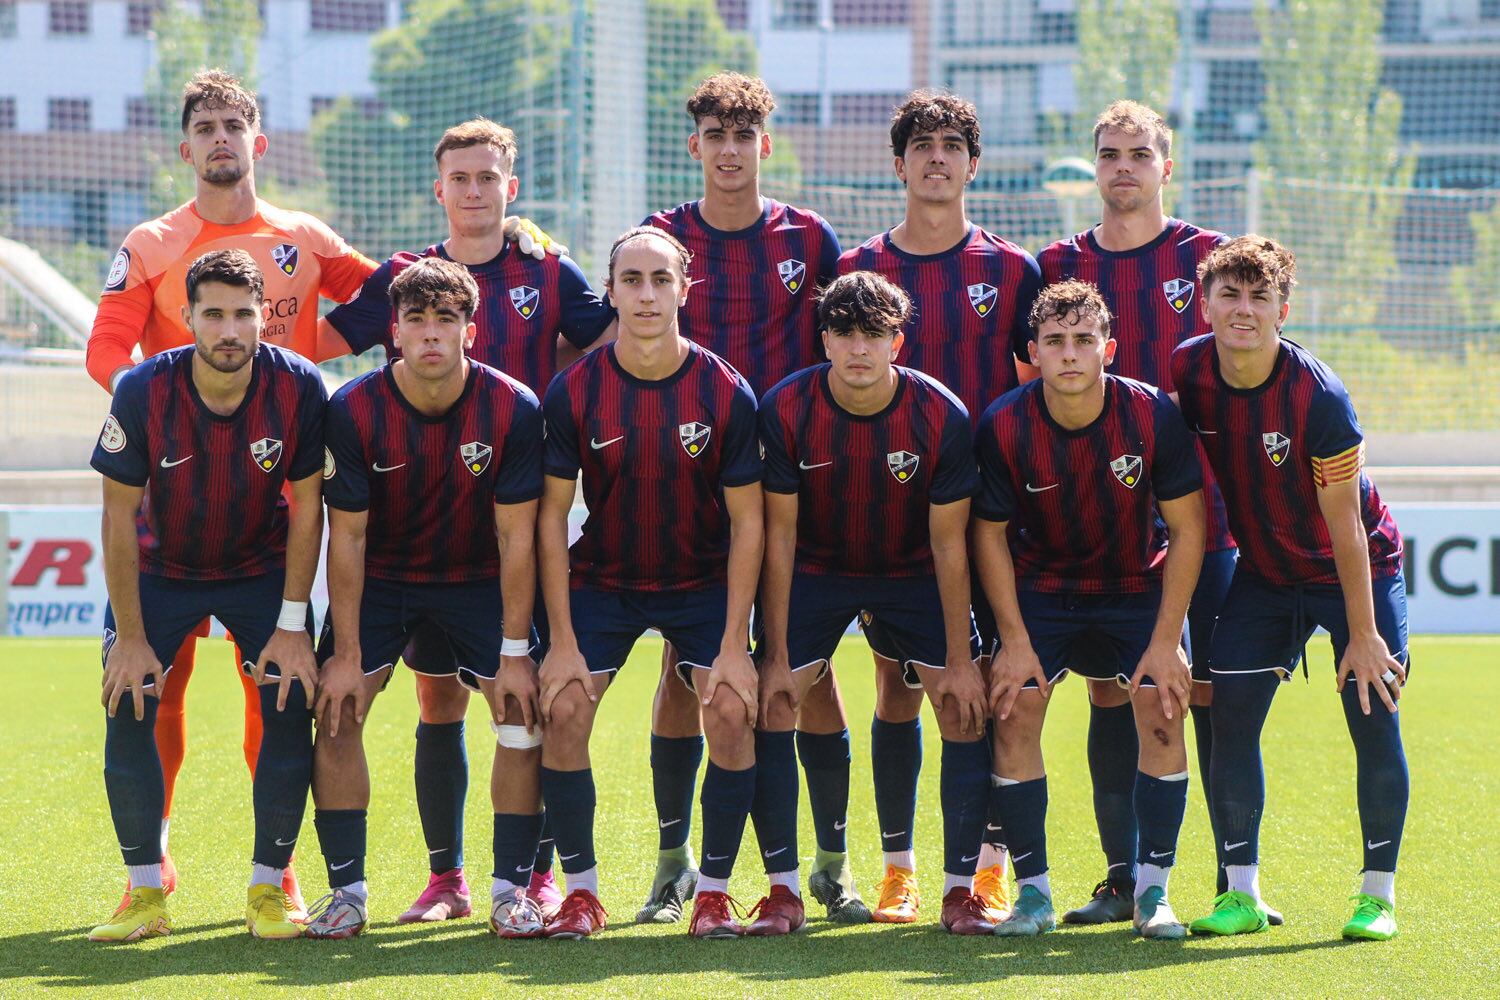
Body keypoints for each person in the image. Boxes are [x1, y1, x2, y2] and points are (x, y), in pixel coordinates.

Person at [85, 69, 378, 916]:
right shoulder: (149, 243)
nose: (220, 138)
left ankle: (275, 873)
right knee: (151, 686)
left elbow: (391, 299)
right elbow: (107, 350)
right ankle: (154, 863)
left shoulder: (305, 235)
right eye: (204, 126)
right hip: (171, 501)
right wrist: (166, 407)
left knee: (280, 689)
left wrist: (506, 239)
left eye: (233, 125)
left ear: (259, 141)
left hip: (270, 505)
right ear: (186, 147)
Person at [321, 117, 614, 924]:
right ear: (439, 189)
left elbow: (618, 342)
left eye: (489, 178)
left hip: (505, 521)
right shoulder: (402, 279)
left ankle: (529, 884)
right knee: (434, 705)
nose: (475, 192)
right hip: (408, 521)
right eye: (461, 179)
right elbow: (316, 338)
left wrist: (565, 396)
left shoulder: (550, 267)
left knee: (524, 704)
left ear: (510, 187)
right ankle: (442, 879)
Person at [1035, 99, 1279, 923]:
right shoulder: (1060, 262)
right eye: (1110, 154)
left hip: (1200, 518)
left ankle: (1230, 880)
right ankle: (1123, 876)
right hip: (1096, 524)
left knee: (1203, 694)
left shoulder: (1210, 258)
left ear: (1165, 166)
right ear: (1094, 166)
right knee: (1116, 693)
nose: (1125, 167)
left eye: (1141, 153)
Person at [641, 71, 864, 923]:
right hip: (690, 476)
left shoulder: (809, 238)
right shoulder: (661, 236)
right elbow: (609, 316)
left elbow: (850, 335)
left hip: (796, 479)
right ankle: (674, 862)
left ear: (765, 145)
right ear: (694, 145)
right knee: (685, 665)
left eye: (745, 136)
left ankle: (831, 864)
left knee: (806, 668)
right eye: (715, 135)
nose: (729, 150)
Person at [837, 89, 1041, 923]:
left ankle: (989, 863)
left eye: (952, 143)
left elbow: (1034, 389)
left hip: (988, 515)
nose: (936, 156)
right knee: (896, 686)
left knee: (987, 685)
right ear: (898, 164)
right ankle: (899, 867)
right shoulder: (860, 269)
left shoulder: (1013, 270)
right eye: (921, 144)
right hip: (892, 514)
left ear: (972, 162)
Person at [1173, 237, 1408, 942]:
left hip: (1355, 572)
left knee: (1373, 716)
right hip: (1267, 574)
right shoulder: (1189, 370)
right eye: (1229, 294)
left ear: (1284, 306)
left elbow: (1346, 533)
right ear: (1205, 301)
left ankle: (1377, 897)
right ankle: (1240, 895)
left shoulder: (1320, 395)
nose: (1243, 310)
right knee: (1232, 719)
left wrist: (1362, 637)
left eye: (1258, 296)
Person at [306, 257, 547, 940]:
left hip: (479, 577)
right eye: (417, 320)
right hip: (385, 576)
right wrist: (348, 653)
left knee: (521, 711)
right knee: (339, 707)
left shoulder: (512, 407)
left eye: (447, 319)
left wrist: (513, 652)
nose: (432, 334)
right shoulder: (352, 408)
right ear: (395, 330)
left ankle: (510, 892)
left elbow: (516, 536)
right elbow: (346, 539)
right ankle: (347, 893)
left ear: (471, 329)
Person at [87, 249, 325, 942]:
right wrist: (130, 640)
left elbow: (310, 509)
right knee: (128, 699)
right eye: (213, 314)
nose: (229, 329)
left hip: (260, 568)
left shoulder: (301, 387)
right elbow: (117, 516)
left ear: (264, 320)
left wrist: (289, 625)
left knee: (287, 699)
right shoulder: (140, 390)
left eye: (244, 314)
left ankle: (269, 888)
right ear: (185, 317)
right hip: (163, 570)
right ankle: (143, 893)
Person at [535, 227, 763, 939]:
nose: (645, 293)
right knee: (565, 708)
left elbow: (750, 524)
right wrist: (563, 643)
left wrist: (733, 643)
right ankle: (581, 894)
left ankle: (715, 893)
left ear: (683, 290)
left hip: (700, 581)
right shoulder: (576, 389)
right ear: (610, 291)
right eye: (631, 279)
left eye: (660, 279)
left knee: (727, 708)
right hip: (606, 578)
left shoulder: (723, 389)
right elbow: (548, 519)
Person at [756, 271, 993, 936]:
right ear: (825, 339)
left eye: (873, 334)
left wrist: (958, 656)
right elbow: (779, 535)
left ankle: (956, 890)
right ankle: (780, 890)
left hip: (911, 570)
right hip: (817, 570)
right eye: (844, 333)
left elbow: (950, 546)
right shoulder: (786, 407)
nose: (858, 348)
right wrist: (774, 654)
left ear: (898, 340)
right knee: (774, 701)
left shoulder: (941, 413)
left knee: (961, 705)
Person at [973, 279, 1205, 940]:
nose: (1069, 353)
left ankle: (1153, 894)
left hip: (1135, 586)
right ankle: (1034, 896)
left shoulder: (1153, 414)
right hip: (1044, 589)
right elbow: (988, 532)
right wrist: (1013, 641)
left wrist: (1166, 642)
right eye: (1054, 342)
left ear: (1109, 347)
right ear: (1034, 352)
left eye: (1082, 340)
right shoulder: (1007, 423)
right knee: (1014, 708)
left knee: (1161, 705)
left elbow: (1188, 529)